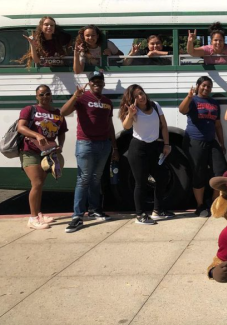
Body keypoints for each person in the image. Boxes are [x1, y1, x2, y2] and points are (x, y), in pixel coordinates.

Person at [61, 70, 118, 233]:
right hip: (85, 143)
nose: (96, 83)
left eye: (99, 81)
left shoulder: (107, 101)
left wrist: (114, 147)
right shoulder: (82, 98)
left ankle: (94, 210)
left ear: (103, 84)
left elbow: (110, 125)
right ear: (89, 83)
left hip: (104, 144)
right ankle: (77, 216)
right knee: (84, 178)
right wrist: (74, 96)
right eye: (93, 81)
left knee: (96, 178)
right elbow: (63, 112)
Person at [119, 84, 174, 225]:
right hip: (138, 148)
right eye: (136, 95)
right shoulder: (133, 110)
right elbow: (126, 126)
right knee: (141, 182)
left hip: (154, 147)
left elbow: (164, 125)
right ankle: (140, 214)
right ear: (132, 98)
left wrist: (166, 144)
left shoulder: (155, 105)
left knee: (162, 177)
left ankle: (158, 210)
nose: (141, 97)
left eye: (141, 93)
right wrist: (131, 114)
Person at [17, 85, 68, 230]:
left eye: (47, 94)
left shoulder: (58, 113)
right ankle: (32, 219)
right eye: (41, 94)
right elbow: (21, 127)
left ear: (51, 95)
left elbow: (62, 131)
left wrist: (61, 146)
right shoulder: (30, 110)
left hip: (48, 153)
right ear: (36, 97)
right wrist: (37, 135)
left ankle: (38, 214)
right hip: (30, 151)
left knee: (40, 185)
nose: (44, 97)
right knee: (37, 183)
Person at [178, 76, 227, 217]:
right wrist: (189, 97)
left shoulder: (214, 103)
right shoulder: (193, 100)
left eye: (209, 86)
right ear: (198, 86)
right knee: (198, 173)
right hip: (194, 142)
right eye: (204, 85)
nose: (206, 88)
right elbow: (182, 110)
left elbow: (218, 125)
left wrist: (222, 143)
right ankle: (200, 206)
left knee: (221, 171)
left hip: (211, 141)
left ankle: (213, 201)